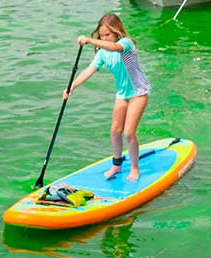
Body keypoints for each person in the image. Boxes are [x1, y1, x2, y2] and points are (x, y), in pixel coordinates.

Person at [63, 13, 152, 182]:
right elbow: (89, 70)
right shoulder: (102, 53)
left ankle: (134, 167)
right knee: (115, 131)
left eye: (107, 35)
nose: (104, 38)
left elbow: (114, 48)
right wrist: (71, 87)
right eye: (101, 35)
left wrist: (89, 40)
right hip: (122, 95)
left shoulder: (125, 44)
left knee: (129, 133)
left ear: (117, 32)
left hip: (138, 93)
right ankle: (117, 164)